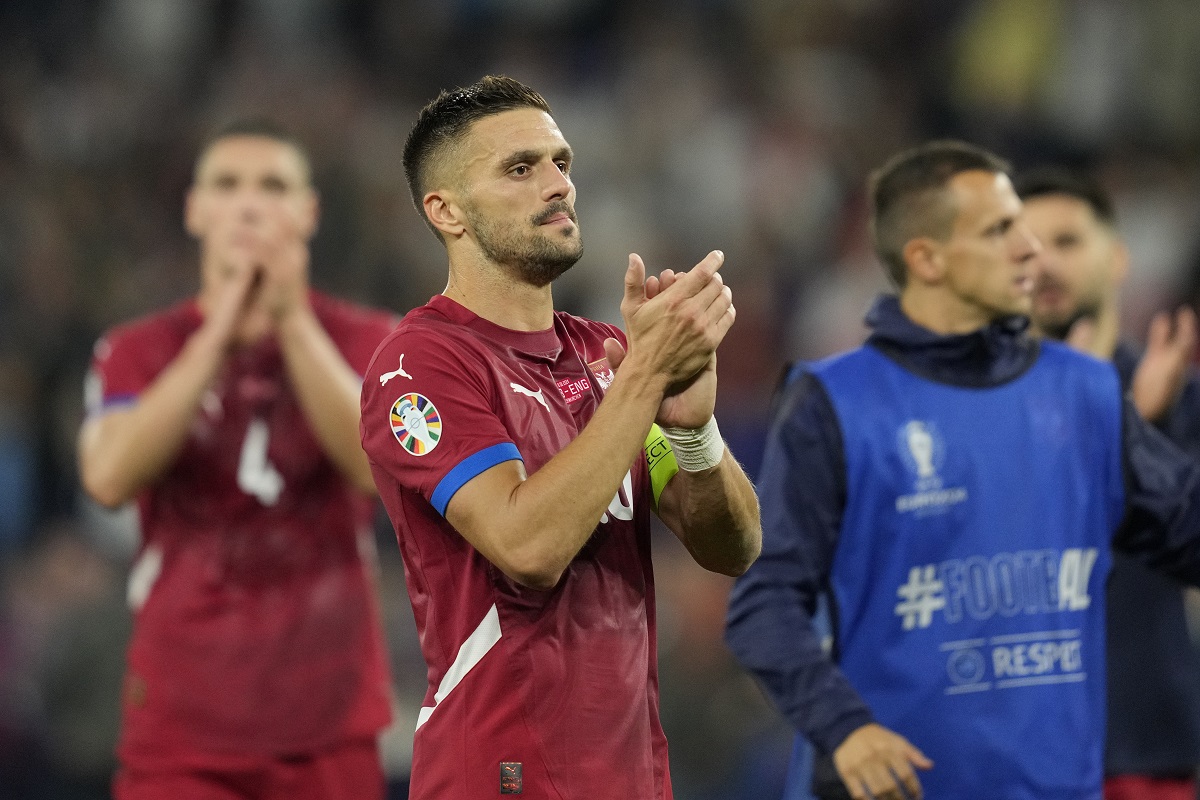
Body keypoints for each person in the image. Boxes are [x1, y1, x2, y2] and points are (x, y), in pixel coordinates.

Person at [724, 140, 1200, 800]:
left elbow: (1187, 533)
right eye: (1001, 230)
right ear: (927, 258)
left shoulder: (1085, 392)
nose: (1030, 249)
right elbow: (764, 605)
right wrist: (848, 730)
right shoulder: (837, 402)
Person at [358, 75, 762, 800]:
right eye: (521, 169)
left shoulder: (605, 356)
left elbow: (732, 548)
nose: (558, 186)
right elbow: (529, 549)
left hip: (633, 774)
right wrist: (644, 381)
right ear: (445, 210)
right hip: (501, 776)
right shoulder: (422, 363)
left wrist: (696, 432)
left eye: (561, 163)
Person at [77, 119, 396, 800]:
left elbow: (379, 470)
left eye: (273, 186)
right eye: (227, 184)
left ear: (308, 213)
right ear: (195, 209)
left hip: (328, 719)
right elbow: (107, 477)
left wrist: (291, 322)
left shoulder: (373, 341)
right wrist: (217, 333)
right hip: (183, 724)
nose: (250, 204)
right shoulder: (137, 350)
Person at [1016, 167, 1200, 800]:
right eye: (1027, 246)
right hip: (1013, 755)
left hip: (1143, 752)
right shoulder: (976, 412)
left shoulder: (1184, 401)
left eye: (1067, 241)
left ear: (1118, 256)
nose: (1046, 264)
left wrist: (1141, 425)